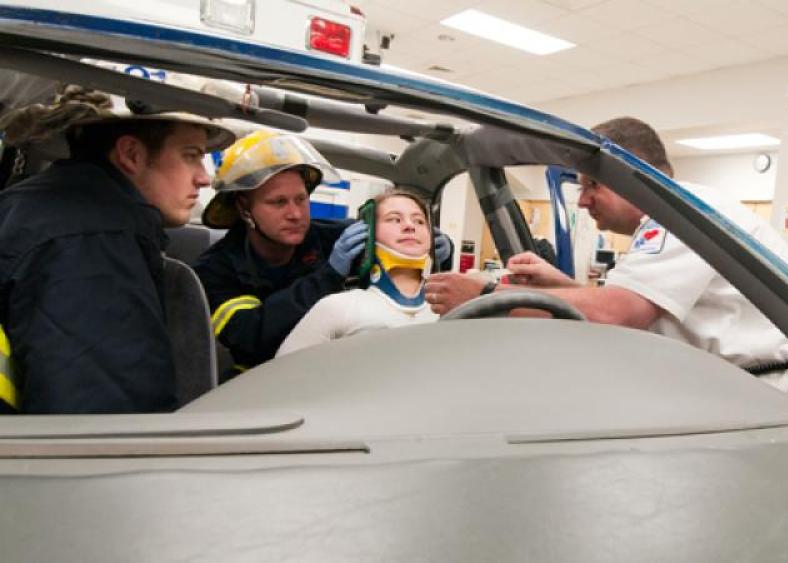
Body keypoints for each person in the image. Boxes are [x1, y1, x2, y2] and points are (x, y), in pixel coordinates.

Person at [426, 116, 788, 392]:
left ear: (637, 175)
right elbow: (648, 309)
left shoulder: (682, 210)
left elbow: (621, 314)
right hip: (731, 385)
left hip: (763, 390)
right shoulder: (676, 216)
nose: (582, 200)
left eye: (592, 184)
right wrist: (559, 283)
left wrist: (483, 298)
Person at [0, 86, 236, 413]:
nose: (204, 178)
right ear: (131, 155)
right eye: (191, 155)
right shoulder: (93, 243)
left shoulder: (37, 209)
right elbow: (106, 422)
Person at [194, 131, 452, 375]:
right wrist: (328, 276)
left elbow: (402, 265)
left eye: (301, 199)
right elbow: (252, 338)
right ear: (243, 208)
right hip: (258, 385)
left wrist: (440, 253)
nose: (295, 214)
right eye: (278, 202)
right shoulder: (214, 270)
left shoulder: (337, 237)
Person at [276, 190, 438, 356]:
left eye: (419, 221)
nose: (410, 226)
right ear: (367, 235)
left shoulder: (450, 308)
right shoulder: (338, 307)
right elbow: (280, 374)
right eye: (394, 219)